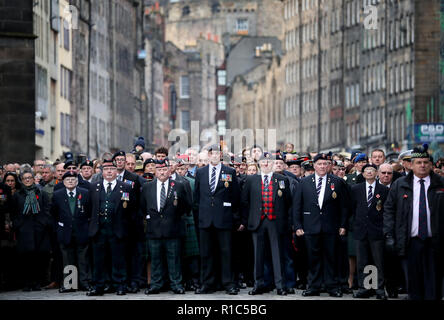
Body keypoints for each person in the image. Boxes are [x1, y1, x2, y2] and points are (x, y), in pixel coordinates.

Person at [384, 144, 444, 300]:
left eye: (425, 162)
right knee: (414, 285)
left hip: (435, 242)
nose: (422, 165)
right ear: (410, 165)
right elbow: (389, 210)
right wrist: (389, 235)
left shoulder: (440, 184)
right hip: (410, 242)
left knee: (434, 286)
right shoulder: (400, 184)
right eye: (418, 162)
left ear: (431, 164)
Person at [293, 153, 348, 297]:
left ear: (329, 166)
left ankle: (332, 286)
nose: (322, 167)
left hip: (331, 227)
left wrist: (343, 225)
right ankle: (313, 286)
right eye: (319, 164)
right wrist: (298, 226)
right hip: (311, 226)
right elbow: (297, 206)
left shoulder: (337, 182)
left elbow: (343, 206)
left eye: (325, 164)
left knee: (331, 258)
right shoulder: (304, 182)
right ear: (314, 166)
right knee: (313, 258)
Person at [241, 153, 292, 296]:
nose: (266, 164)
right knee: (258, 256)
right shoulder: (251, 180)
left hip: (275, 221)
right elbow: (245, 202)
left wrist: (287, 222)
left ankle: (280, 286)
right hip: (257, 221)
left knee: (277, 255)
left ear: (273, 164)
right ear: (259, 164)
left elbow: (289, 202)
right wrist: (245, 221)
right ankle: (258, 284)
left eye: (269, 161)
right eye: (263, 162)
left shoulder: (282, 180)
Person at [193, 144, 240, 295]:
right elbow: (197, 197)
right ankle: (207, 283)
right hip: (206, 219)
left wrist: (234, 217)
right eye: (212, 153)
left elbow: (235, 197)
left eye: (217, 153)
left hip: (224, 218)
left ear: (221, 155)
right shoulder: (200, 172)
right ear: (208, 155)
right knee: (206, 253)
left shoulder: (230, 172)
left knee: (226, 252)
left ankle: (228, 283)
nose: (214, 155)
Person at [86, 159, 137, 296]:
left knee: (118, 259)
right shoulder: (93, 187)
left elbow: (131, 209)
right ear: (102, 172)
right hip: (99, 229)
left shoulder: (125, 187)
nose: (109, 171)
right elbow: (89, 208)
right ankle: (99, 286)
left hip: (117, 230)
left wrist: (126, 227)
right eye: (106, 169)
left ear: (116, 171)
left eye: (112, 169)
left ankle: (120, 285)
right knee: (98, 260)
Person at [140, 159, 191, 294]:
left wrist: (173, 217)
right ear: (155, 172)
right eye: (159, 170)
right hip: (154, 229)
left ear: (169, 171)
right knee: (155, 259)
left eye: (164, 170)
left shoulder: (179, 186)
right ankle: (156, 284)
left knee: (174, 259)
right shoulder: (147, 187)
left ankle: (176, 284)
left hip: (173, 228)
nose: (162, 172)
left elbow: (186, 206)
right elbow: (143, 207)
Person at [351, 163, 389, 299]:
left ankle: (379, 289)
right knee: (362, 261)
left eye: (372, 170)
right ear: (362, 174)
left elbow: (386, 210)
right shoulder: (356, 189)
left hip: (377, 230)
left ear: (377, 173)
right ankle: (364, 288)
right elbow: (352, 209)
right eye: (366, 171)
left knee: (378, 261)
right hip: (361, 230)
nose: (369, 173)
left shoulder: (383, 190)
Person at [10, 168, 52, 291]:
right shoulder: (18, 195)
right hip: (24, 230)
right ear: (22, 181)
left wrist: (44, 223)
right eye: (25, 178)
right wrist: (18, 224)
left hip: (39, 230)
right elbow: (14, 212)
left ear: (34, 179)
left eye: (30, 178)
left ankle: (37, 282)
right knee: (25, 258)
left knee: (39, 257)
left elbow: (47, 209)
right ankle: (27, 283)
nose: (28, 180)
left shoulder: (41, 192)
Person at [51, 172, 92, 293]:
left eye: (73, 179)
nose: (70, 181)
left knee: (83, 259)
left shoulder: (85, 193)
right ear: (63, 182)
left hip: (82, 231)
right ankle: (70, 284)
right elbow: (53, 214)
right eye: (67, 179)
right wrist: (58, 228)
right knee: (67, 259)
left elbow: (89, 211)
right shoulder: (57, 195)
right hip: (65, 232)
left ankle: (84, 283)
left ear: (77, 181)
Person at [112, 151, 143, 294]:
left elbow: (138, 202)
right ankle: (119, 282)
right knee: (118, 255)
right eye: (117, 160)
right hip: (114, 224)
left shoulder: (134, 178)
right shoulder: (109, 177)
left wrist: (135, 220)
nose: (119, 162)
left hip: (131, 223)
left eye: (122, 160)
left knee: (133, 255)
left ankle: (134, 282)